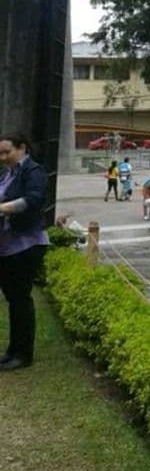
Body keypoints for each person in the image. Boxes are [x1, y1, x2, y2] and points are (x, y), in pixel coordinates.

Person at [0, 133, 49, 370]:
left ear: (22, 148)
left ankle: (23, 354)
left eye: (7, 152)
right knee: (14, 299)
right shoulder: (10, 173)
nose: (3, 157)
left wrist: (1, 208)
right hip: (8, 247)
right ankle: (13, 351)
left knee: (20, 299)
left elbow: (32, 200)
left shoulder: (34, 171)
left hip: (26, 245)